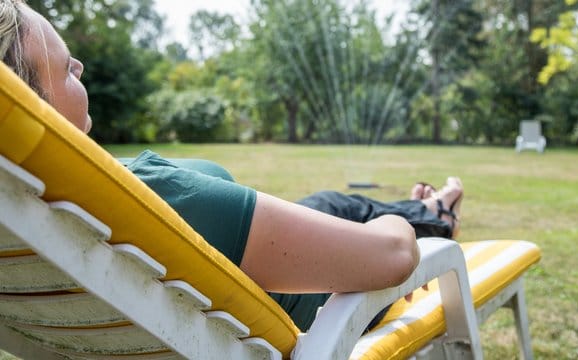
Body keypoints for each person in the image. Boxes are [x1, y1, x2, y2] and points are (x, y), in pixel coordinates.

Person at [0, 0, 463, 332]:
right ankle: (433, 214)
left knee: (330, 202)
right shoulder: (144, 193)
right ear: (34, 105)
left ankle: (427, 210)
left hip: (248, 264)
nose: (79, 65)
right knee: (360, 211)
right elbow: (393, 257)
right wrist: (397, 226)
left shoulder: (29, 205)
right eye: (64, 69)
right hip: (317, 299)